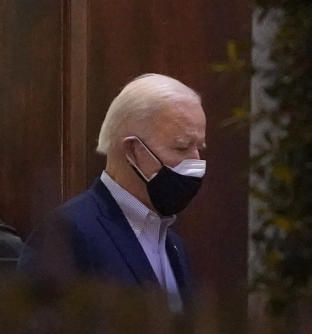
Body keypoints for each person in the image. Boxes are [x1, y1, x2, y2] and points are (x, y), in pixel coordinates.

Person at [18, 73, 205, 311]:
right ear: (133, 150)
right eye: (181, 146)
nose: (196, 163)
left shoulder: (173, 244)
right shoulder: (66, 233)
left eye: (199, 148)